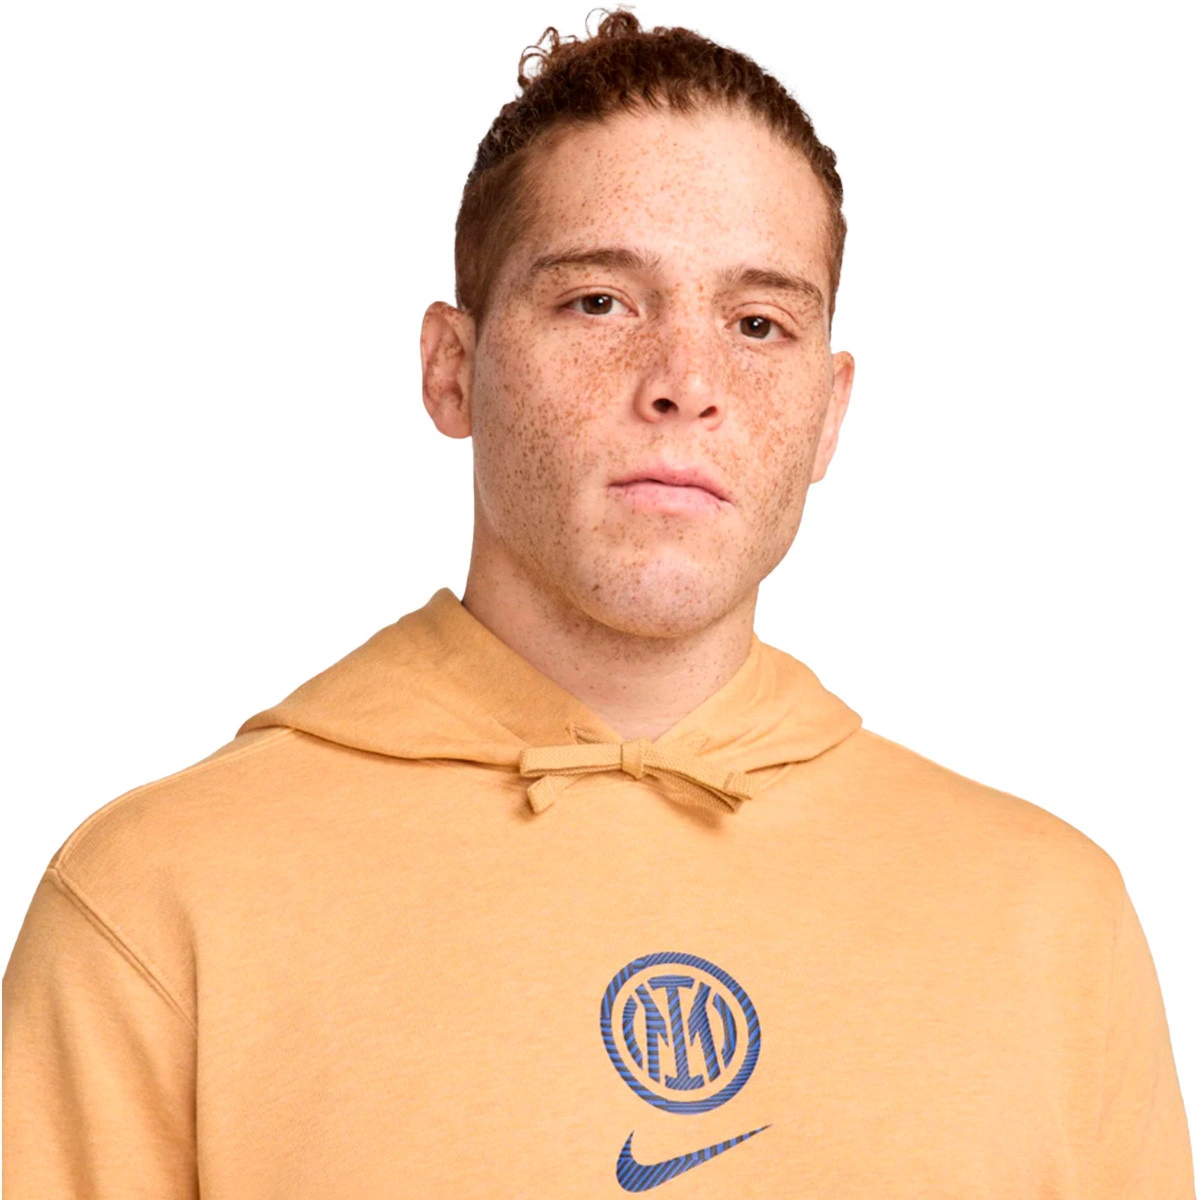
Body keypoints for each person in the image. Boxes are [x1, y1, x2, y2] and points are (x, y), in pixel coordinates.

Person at [3, 11, 1193, 1198]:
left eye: (758, 323)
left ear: (831, 413)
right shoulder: (160, 898)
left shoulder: (1051, 922)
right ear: (451, 369)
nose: (685, 383)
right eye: (599, 303)